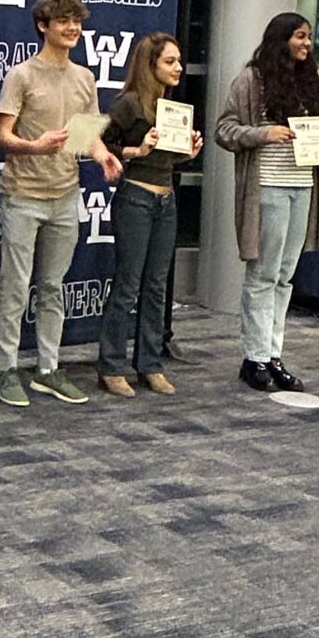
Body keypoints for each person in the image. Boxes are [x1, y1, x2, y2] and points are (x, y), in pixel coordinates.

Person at [0, 0, 119, 408]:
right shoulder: (21, 75)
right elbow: (3, 136)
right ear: (44, 26)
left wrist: (103, 157)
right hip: (23, 195)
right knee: (14, 286)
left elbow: (87, 136)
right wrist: (36, 146)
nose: (73, 28)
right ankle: (6, 369)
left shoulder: (84, 78)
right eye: (63, 21)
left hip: (66, 196)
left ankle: (48, 368)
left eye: (77, 21)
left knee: (53, 287)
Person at [214, 11, 319, 394]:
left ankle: (273, 354)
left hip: (302, 187)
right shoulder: (251, 80)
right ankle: (254, 357)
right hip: (267, 186)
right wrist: (263, 133)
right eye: (300, 36)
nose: (306, 44)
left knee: (285, 276)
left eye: (309, 37)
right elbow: (225, 130)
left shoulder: (310, 82)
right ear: (280, 38)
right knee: (263, 275)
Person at [97, 31, 203, 397]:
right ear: (150, 65)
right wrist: (136, 151)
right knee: (127, 284)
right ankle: (111, 366)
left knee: (157, 286)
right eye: (169, 62)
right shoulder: (128, 104)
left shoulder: (171, 107)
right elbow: (102, 144)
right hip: (136, 197)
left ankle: (150, 364)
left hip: (166, 198)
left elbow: (169, 157)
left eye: (178, 61)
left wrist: (186, 154)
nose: (178, 68)